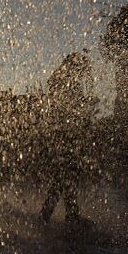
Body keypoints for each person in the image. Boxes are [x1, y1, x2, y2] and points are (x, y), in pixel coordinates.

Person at [40, 52, 95, 223]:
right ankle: (64, 215)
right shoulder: (64, 81)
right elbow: (68, 111)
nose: (84, 73)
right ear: (75, 66)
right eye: (82, 68)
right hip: (63, 138)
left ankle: (58, 214)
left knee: (63, 177)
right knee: (65, 176)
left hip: (63, 137)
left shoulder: (62, 80)